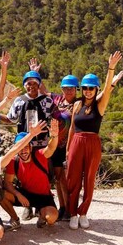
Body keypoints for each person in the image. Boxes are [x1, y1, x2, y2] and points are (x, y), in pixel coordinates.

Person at [66, 51, 123, 230]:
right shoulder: (76, 105)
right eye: (85, 88)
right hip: (76, 142)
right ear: (82, 89)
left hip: (92, 143)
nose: (88, 91)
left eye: (91, 88)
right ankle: (72, 213)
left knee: (89, 180)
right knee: (73, 179)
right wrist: (68, 150)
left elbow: (107, 89)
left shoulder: (100, 105)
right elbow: (72, 129)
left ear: (96, 90)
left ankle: (83, 213)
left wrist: (111, 69)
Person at [0, 121, 60, 230]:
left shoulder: (40, 155)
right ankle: (15, 220)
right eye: (20, 148)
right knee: (0, 194)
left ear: (31, 148)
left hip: (44, 196)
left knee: (51, 218)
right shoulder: (14, 161)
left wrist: (54, 136)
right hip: (26, 194)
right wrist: (18, 194)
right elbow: (7, 183)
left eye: (26, 147)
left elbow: (51, 148)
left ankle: (42, 215)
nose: (23, 151)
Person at [49, 74, 79, 221]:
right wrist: (34, 72)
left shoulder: (79, 103)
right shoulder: (57, 99)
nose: (68, 91)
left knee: (66, 179)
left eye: (71, 88)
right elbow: (42, 91)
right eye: (66, 88)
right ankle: (62, 207)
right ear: (61, 89)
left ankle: (69, 209)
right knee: (58, 177)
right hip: (55, 144)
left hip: (69, 145)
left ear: (76, 89)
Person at [7, 70, 55, 150]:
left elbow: (53, 118)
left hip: (43, 143)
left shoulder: (47, 101)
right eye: (29, 84)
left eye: (34, 84)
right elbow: (11, 119)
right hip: (24, 143)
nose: (32, 86)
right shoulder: (19, 101)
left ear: (38, 85)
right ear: (25, 86)